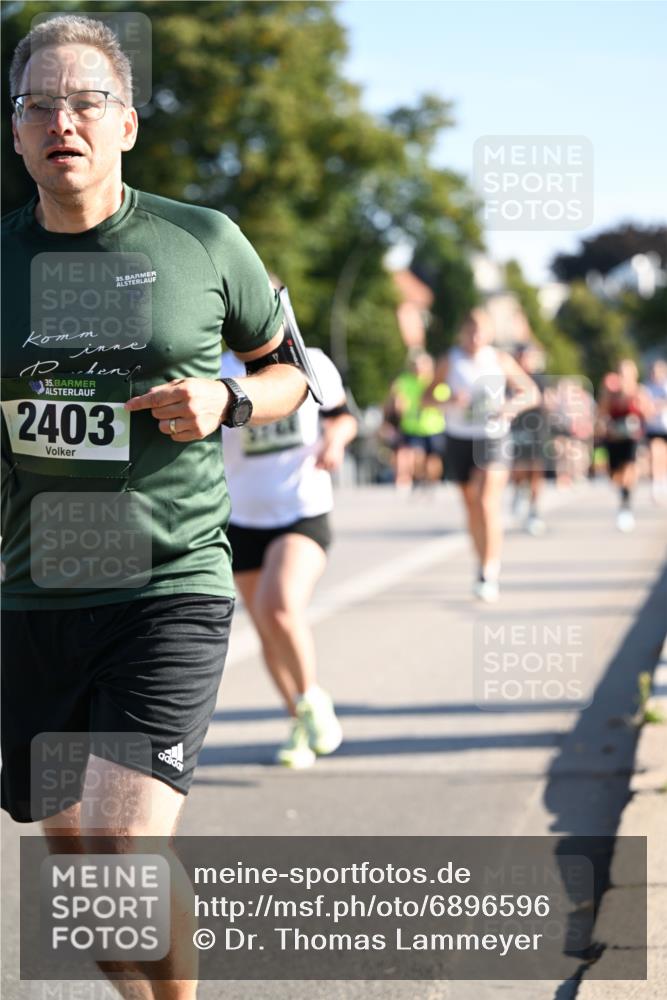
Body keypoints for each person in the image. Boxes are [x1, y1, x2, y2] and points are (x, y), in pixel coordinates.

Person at [1, 15, 308, 999]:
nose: (64, 121)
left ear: (126, 123)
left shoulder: (202, 239)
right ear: (15, 133)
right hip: (32, 598)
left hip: (166, 588)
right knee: (86, 888)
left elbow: (289, 373)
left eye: (86, 101)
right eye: (39, 104)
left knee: (124, 846)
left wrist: (228, 398)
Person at [221, 340, 357, 768]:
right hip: (242, 516)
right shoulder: (216, 367)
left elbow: (342, 418)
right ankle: (298, 719)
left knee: (278, 607)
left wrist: (334, 442)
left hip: (302, 509)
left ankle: (311, 699)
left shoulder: (310, 361)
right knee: (266, 630)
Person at [431, 309, 539, 602]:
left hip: (492, 437)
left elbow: (531, 393)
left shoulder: (499, 360)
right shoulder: (449, 360)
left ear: (489, 333)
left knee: (486, 500)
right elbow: (427, 397)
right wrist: (448, 398)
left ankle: (489, 571)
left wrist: (509, 408)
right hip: (459, 437)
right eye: (470, 330)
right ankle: (481, 561)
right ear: (462, 332)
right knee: (470, 505)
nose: (475, 336)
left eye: (481, 331)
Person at [597, 359, 652, 532]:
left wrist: (638, 409)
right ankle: (623, 495)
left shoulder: (639, 392)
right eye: (621, 373)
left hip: (632, 438)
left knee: (629, 469)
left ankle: (625, 504)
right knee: (614, 475)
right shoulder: (610, 393)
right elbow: (601, 414)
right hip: (614, 438)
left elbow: (648, 413)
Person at [384, 351, 448, 491]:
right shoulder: (404, 381)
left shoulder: (436, 381)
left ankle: (431, 481)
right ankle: (413, 478)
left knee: (433, 460)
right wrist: (397, 406)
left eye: (422, 365)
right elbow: (394, 399)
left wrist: (430, 402)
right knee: (414, 454)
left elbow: (444, 402)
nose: (418, 368)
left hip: (434, 427)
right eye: (415, 365)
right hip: (412, 426)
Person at [510, 342, 548, 536]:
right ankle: (518, 491)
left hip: (536, 430)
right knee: (518, 467)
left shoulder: (539, 379)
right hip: (516, 429)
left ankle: (534, 511)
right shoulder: (510, 379)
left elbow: (544, 402)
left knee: (535, 471)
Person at [643, 359, 667, 504]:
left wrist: (659, 404)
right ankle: (655, 484)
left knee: (663, 456)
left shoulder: (665, 386)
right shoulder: (647, 388)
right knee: (654, 454)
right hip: (653, 426)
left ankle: (662, 479)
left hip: (665, 425)